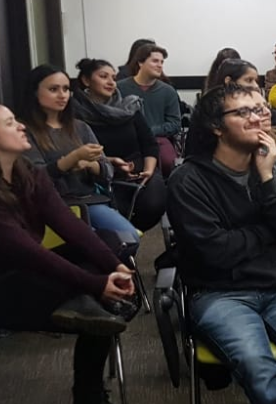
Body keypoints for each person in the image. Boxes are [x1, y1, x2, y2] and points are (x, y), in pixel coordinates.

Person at [169, 84, 276, 404]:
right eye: (242, 112)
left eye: (259, 110)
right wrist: (267, 233)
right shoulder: (188, 180)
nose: (256, 118)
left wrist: (268, 178)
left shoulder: (271, 168)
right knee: (258, 365)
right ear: (217, 127)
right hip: (219, 293)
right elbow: (217, 252)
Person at [0, 103, 136, 404]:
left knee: (109, 241)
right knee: (103, 298)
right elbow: (27, 254)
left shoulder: (28, 174)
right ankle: (89, 394)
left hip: (30, 273)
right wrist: (97, 283)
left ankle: (89, 303)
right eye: (10, 123)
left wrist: (117, 267)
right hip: (7, 287)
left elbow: (70, 227)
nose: (21, 126)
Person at [21, 65, 141, 244]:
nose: (62, 95)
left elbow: (107, 171)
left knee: (129, 239)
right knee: (95, 246)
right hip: (53, 206)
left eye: (66, 89)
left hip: (89, 201)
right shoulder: (24, 131)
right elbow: (36, 177)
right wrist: (73, 158)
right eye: (53, 89)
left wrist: (89, 165)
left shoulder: (80, 127)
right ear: (34, 93)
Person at [74, 58, 166, 231]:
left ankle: (130, 239)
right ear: (86, 80)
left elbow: (149, 144)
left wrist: (148, 171)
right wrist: (110, 163)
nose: (111, 82)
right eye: (103, 76)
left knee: (154, 203)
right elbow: (78, 154)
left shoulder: (129, 106)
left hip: (138, 166)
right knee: (116, 211)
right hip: (100, 171)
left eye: (114, 78)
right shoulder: (74, 113)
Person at [115, 44, 181, 176]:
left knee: (169, 162)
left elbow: (175, 123)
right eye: (155, 61)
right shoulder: (120, 88)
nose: (160, 65)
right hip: (127, 140)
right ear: (140, 62)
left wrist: (150, 131)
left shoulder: (168, 91)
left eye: (162, 62)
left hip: (158, 140)